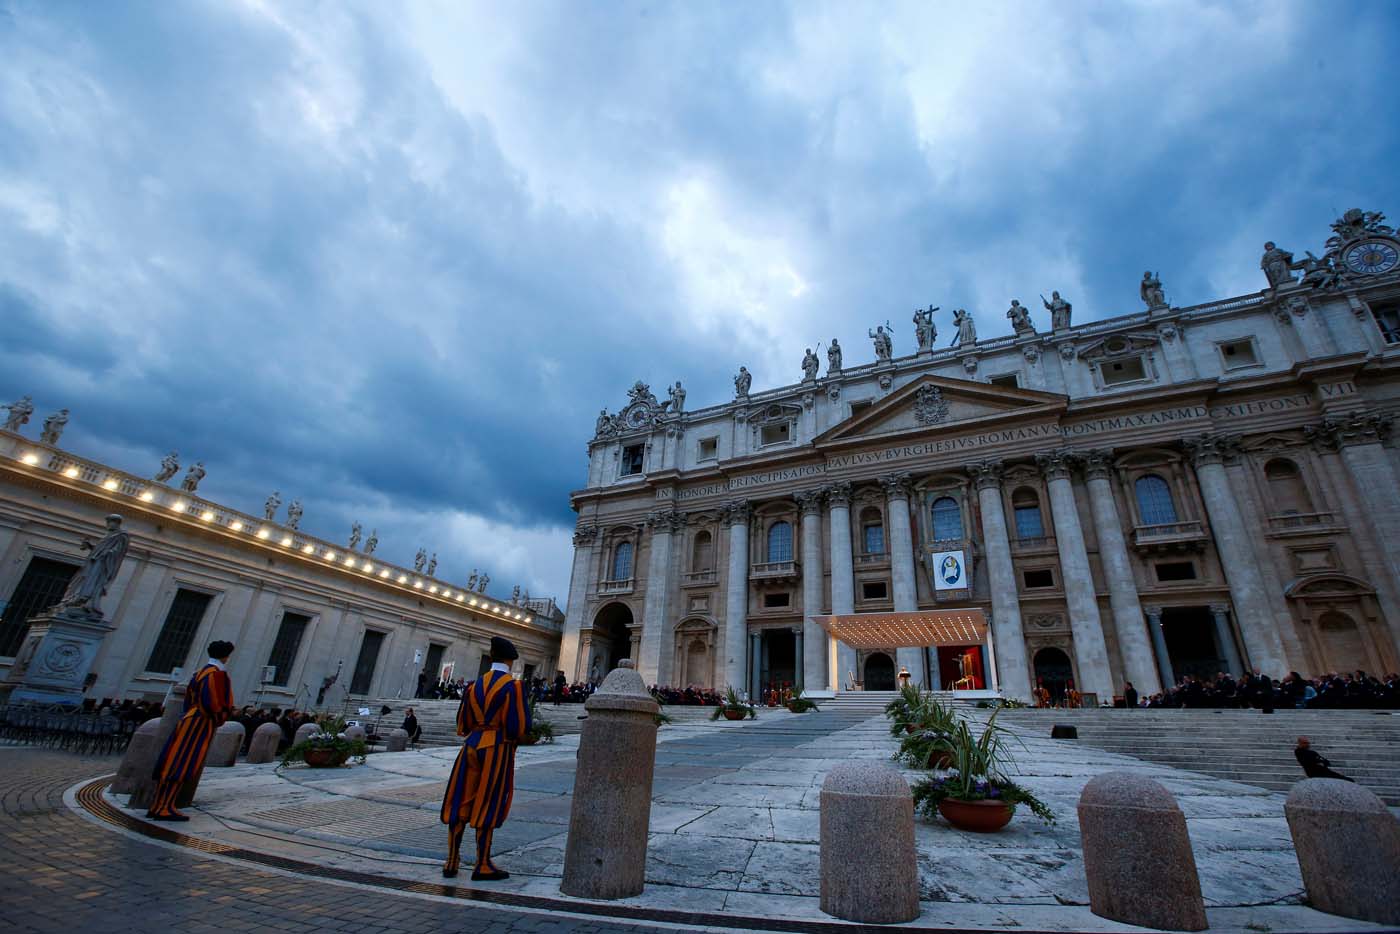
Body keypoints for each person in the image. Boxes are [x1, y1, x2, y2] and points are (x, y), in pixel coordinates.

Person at [439, 636, 531, 880]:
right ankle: (482, 864)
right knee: (489, 800)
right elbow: (519, 726)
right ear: (511, 660)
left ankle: (451, 861)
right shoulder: (514, 686)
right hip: (497, 747)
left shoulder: (472, 686)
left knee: (460, 798)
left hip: (470, 746)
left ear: (491, 658)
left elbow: (462, 724)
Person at [146, 640, 236, 821]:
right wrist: (219, 718)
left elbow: (189, 699)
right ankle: (164, 807)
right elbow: (213, 703)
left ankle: (160, 804)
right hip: (200, 722)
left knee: (172, 759)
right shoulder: (216, 675)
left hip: (188, 718)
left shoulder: (199, 673)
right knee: (183, 761)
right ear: (226, 656)